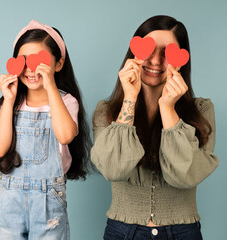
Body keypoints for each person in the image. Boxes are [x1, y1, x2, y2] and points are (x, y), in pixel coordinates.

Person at [91, 15, 219, 240]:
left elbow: (184, 176)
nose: (156, 61)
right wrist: (129, 98)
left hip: (182, 232)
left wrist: (168, 108)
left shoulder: (202, 112)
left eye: (167, 53)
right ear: (133, 54)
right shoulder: (106, 112)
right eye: (148, 50)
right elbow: (113, 169)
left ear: (181, 60)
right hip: (122, 231)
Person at [0, 20, 91, 240]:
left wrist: (50, 85)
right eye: (22, 61)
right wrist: (9, 99)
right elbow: (0, 148)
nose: (30, 69)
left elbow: (65, 134)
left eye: (39, 61)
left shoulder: (66, 102)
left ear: (58, 64)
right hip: (9, 200)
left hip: (48, 201)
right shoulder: (11, 103)